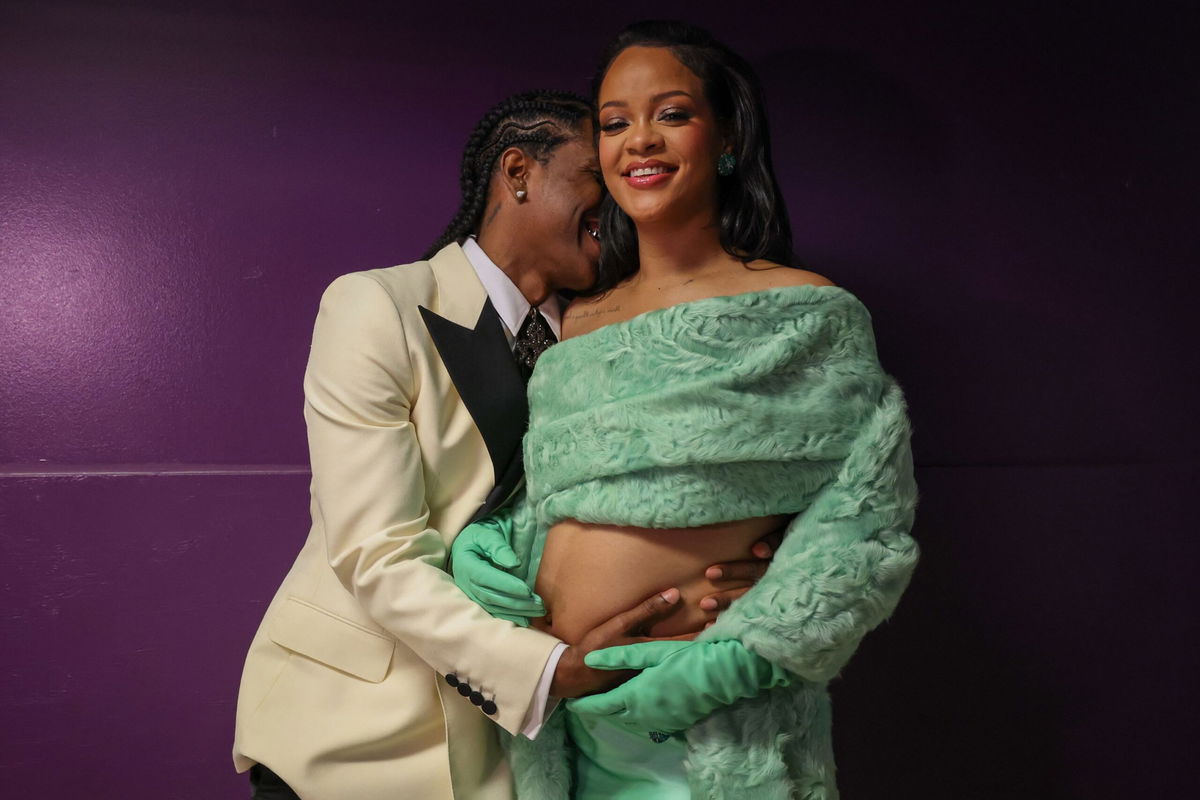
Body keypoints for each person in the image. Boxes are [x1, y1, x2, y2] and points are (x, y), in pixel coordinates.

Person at [231, 89, 772, 800]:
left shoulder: (611, 337)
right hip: (350, 741)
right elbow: (377, 552)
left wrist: (741, 567)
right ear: (518, 172)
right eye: (596, 181)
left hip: (518, 758)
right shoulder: (377, 306)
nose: (621, 208)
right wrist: (550, 669)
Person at [452, 21, 920, 799]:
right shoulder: (577, 321)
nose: (638, 140)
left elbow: (866, 523)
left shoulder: (807, 312)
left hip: (709, 724)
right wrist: (489, 544)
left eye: (670, 114)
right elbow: (558, 487)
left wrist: (726, 665)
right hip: (565, 712)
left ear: (727, 136)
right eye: (614, 123)